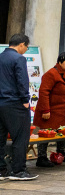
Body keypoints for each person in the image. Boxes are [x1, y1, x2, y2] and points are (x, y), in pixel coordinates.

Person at [0, 34, 37, 181]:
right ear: (22, 44)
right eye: (26, 47)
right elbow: (22, 80)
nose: (26, 50)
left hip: (1, 102)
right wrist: (25, 100)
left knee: (0, 138)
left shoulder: (1, 57)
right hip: (14, 102)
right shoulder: (18, 58)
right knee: (21, 137)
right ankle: (18, 170)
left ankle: (2, 170)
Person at [34, 51, 65, 167]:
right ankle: (41, 157)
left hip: (64, 108)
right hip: (51, 109)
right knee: (46, 132)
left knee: (63, 131)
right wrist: (45, 110)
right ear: (60, 62)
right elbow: (43, 92)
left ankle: (61, 154)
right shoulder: (51, 74)